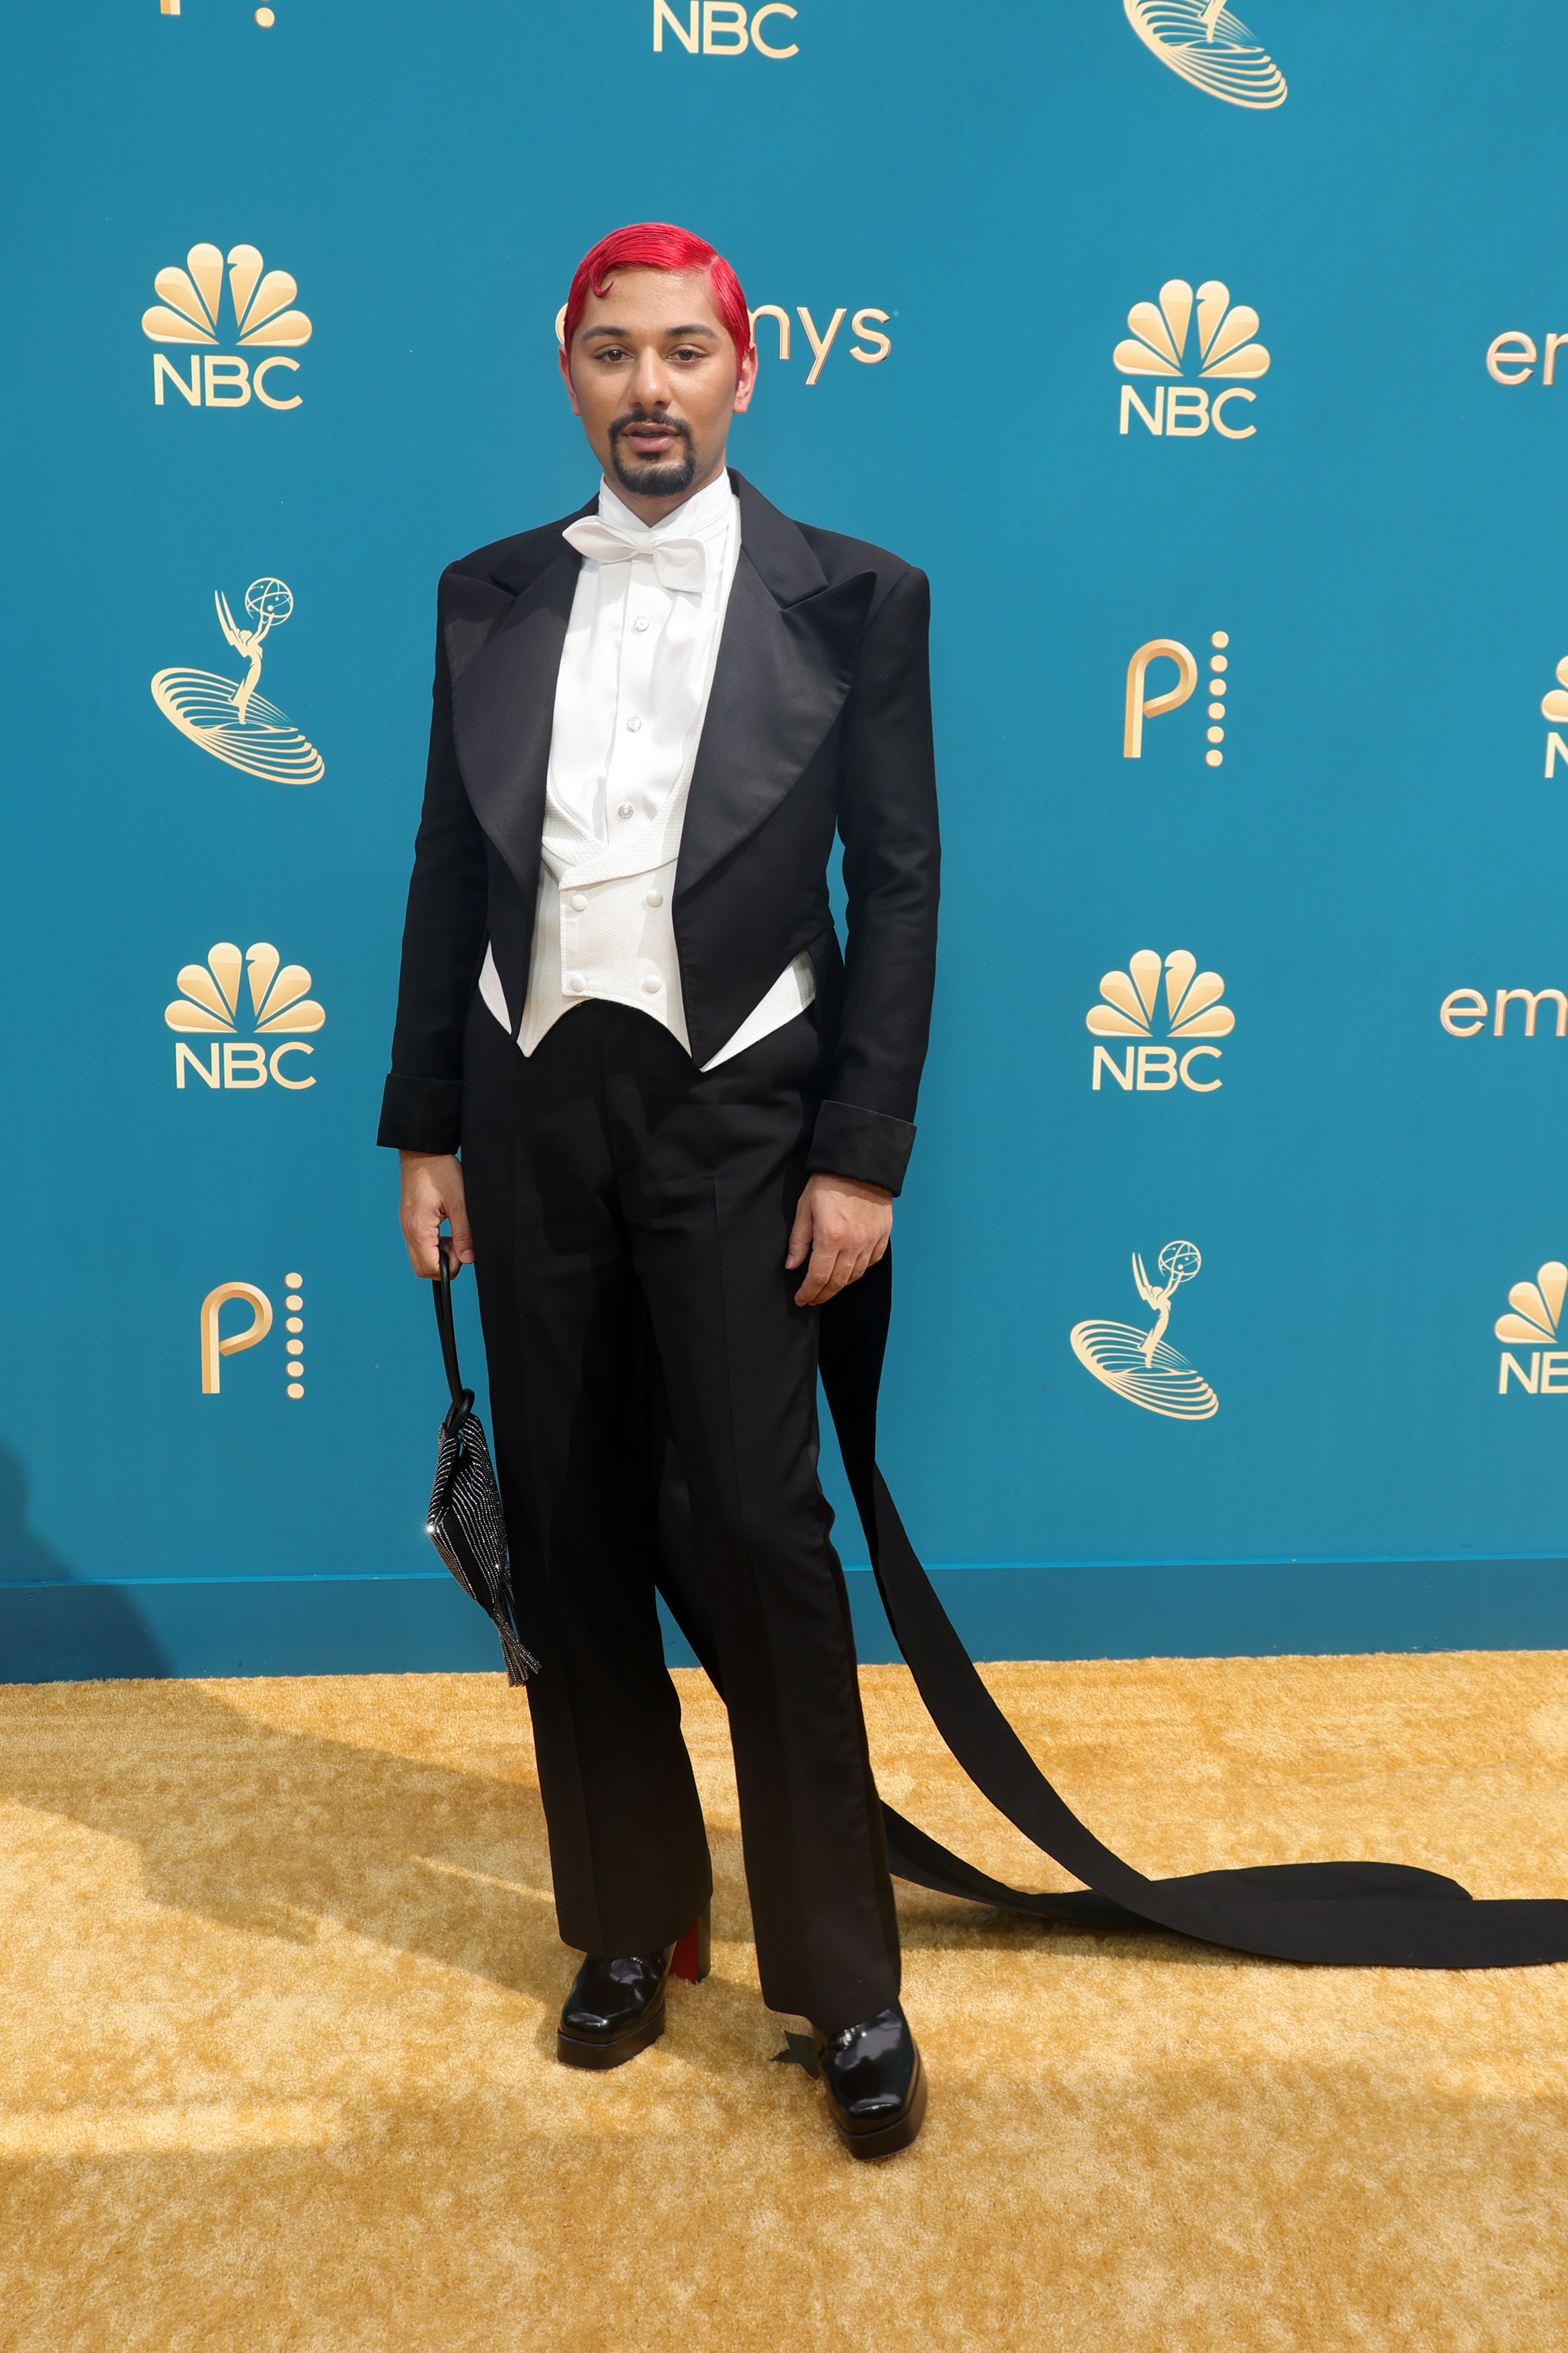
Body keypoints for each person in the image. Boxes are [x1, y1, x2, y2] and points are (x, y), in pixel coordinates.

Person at [378, 221, 939, 2160]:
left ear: (743, 369)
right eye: (612, 354)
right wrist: (424, 1124)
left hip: (738, 1118)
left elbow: (903, 887)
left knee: (765, 1540)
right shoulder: (486, 595)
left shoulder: (856, 600)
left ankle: (844, 1989)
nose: (647, 388)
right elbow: (451, 870)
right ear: (565, 366)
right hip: (530, 1111)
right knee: (566, 1519)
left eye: (683, 353)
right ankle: (628, 1923)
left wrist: (861, 1153)